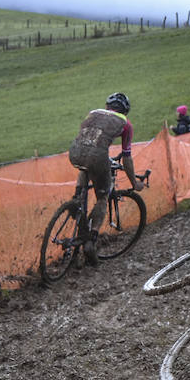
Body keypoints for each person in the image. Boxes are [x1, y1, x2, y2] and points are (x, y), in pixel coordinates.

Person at [68, 92, 146, 263]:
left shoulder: (94, 113)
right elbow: (126, 157)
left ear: (107, 107)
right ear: (125, 111)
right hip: (97, 157)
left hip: (74, 152)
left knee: (85, 166)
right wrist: (135, 182)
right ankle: (92, 239)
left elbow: (91, 140)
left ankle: (76, 198)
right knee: (102, 197)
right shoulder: (125, 124)